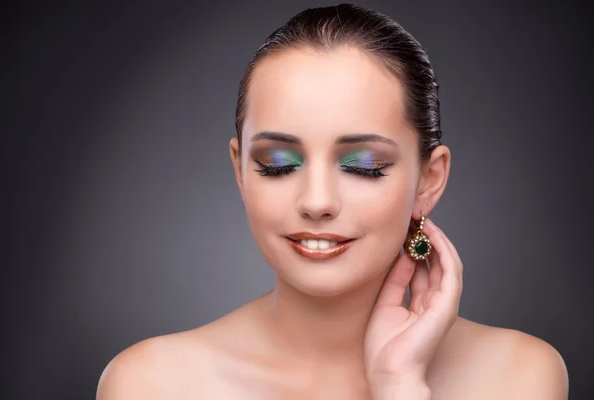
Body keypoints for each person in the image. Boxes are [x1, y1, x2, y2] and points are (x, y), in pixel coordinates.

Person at [96, 3, 568, 399]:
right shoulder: (150, 383)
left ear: (429, 179)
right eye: (278, 163)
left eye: (363, 165)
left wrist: (399, 384)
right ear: (240, 168)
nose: (317, 202)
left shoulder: (519, 376)